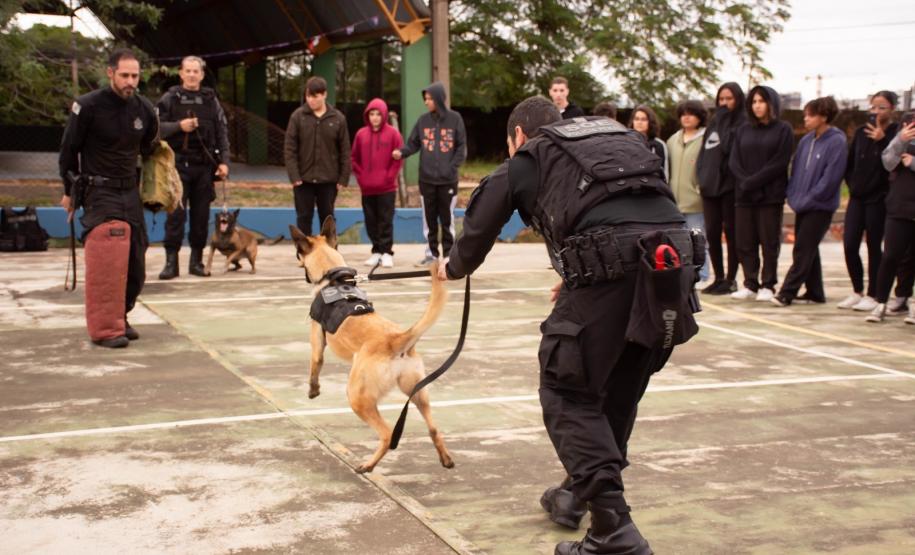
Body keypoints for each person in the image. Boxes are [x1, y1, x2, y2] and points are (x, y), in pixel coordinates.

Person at [440, 96, 701, 555]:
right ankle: (578, 495)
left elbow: (479, 229)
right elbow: (622, 209)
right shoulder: (612, 140)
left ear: (517, 135)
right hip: (672, 262)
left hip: (620, 266)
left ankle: (614, 529)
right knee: (618, 390)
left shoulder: (531, 154)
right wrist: (580, 270)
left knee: (565, 389)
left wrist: (451, 267)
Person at [59, 48, 159, 348]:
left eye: (135, 76)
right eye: (125, 75)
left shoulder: (144, 109)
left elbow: (151, 147)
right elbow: (69, 150)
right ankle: (105, 328)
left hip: (130, 191)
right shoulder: (88, 106)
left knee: (136, 262)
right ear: (110, 73)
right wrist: (68, 191)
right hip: (98, 190)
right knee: (108, 257)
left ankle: (120, 316)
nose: (130, 81)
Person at [156, 55, 230, 280]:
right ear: (180, 73)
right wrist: (179, 126)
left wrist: (224, 161)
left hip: (204, 167)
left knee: (201, 217)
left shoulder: (211, 100)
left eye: (195, 71)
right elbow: (155, 128)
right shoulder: (170, 98)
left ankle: (196, 262)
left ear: (202, 75)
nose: (191, 75)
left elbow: (221, 132)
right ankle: (171, 263)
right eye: (187, 71)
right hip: (177, 166)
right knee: (175, 216)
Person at [772, 97, 847, 307]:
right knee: (809, 248)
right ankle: (815, 292)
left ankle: (787, 292)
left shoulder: (837, 141)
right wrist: (793, 195)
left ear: (824, 116)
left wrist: (811, 197)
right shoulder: (806, 141)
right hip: (802, 204)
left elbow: (831, 177)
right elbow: (795, 170)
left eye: (810, 115)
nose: (806, 119)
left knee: (803, 248)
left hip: (821, 206)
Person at [728, 85, 793, 302]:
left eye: (762, 101)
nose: (757, 106)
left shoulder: (783, 129)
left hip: (770, 196)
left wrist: (754, 181)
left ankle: (768, 284)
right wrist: (745, 182)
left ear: (771, 103)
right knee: (745, 241)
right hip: (744, 195)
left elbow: (780, 161)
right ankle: (750, 283)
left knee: (769, 241)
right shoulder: (743, 130)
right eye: (754, 102)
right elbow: (734, 160)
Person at [838, 91, 900, 311]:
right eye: (873, 107)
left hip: (879, 198)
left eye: (882, 107)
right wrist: (852, 184)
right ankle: (857, 290)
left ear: (892, 109)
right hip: (857, 196)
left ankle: (874, 293)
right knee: (850, 244)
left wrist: (882, 140)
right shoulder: (861, 132)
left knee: (874, 245)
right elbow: (850, 163)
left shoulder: (896, 133)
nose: (876, 112)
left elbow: (892, 163)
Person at [392, 81, 466, 266]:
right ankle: (431, 255)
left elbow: (461, 148)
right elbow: (413, 144)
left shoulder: (455, 119)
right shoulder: (423, 121)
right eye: (425, 99)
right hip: (426, 181)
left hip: (448, 181)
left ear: (439, 99)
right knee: (429, 221)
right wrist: (402, 152)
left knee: (447, 220)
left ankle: (449, 256)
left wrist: (451, 168)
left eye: (429, 99)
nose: (426, 102)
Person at [284, 76, 351, 236]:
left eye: (315, 96)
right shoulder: (297, 117)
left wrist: (343, 177)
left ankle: (330, 250)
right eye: (308, 96)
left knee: (327, 219)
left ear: (324, 94)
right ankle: (304, 251)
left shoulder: (338, 118)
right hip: (303, 180)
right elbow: (289, 149)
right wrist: (294, 176)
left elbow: (345, 150)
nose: (311, 100)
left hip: (329, 180)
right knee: (303, 218)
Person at [697, 83, 746, 295]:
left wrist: (725, 121)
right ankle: (718, 277)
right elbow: (704, 153)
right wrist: (701, 177)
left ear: (738, 99)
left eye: (729, 99)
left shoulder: (742, 123)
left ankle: (731, 279)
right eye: (721, 99)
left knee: (732, 233)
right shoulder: (714, 122)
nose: (724, 103)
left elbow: (727, 148)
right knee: (712, 233)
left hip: (729, 188)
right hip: (710, 188)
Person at [865, 114, 915, 322]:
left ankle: (907, 300)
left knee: (912, 259)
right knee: (891, 256)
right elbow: (888, 162)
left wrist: (913, 162)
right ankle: (881, 302)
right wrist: (900, 139)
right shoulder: (903, 134)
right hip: (900, 205)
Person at [351, 97, 403, 268]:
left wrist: (389, 177)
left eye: (378, 114)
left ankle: (387, 252)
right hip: (367, 188)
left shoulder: (393, 134)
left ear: (384, 115)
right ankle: (377, 251)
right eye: (371, 114)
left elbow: (398, 159)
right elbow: (354, 158)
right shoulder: (361, 134)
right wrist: (362, 178)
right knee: (370, 221)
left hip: (387, 188)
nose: (374, 117)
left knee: (385, 220)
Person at [667, 99, 709, 281]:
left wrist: (699, 190)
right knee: (677, 242)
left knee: (698, 240)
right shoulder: (672, 140)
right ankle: (683, 275)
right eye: (683, 114)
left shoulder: (706, 139)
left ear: (699, 117)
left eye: (691, 114)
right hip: (674, 203)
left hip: (696, 202)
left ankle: (702, 275)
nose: (686, 117)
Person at [629, 105, 669, 180]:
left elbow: (664, 174)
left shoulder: (659, 145)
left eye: (643, 119)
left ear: (650, 122)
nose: (639, 122)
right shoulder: (626, 142)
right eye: (636, 119)